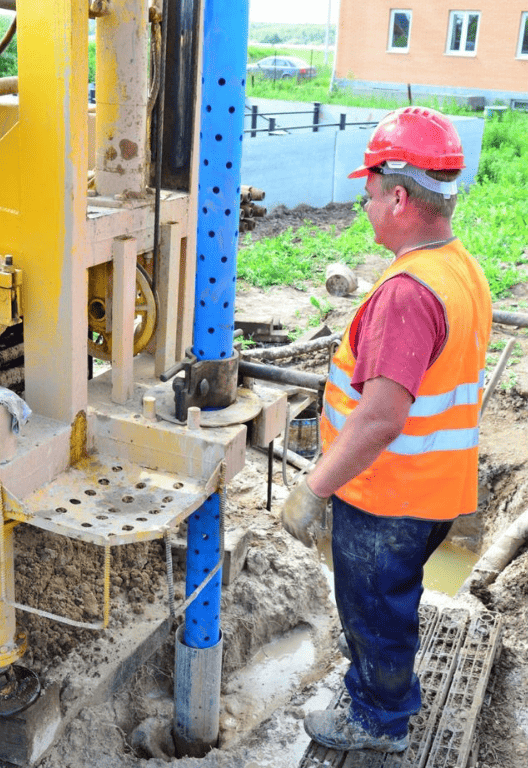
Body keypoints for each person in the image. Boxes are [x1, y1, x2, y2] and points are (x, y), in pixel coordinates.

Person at [282, 106, 492, 754]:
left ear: (399, 195)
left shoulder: (406, 293)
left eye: (369, 193)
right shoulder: (457, 266)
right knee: (391, 604)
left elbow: (380, 416)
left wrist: (315, 488)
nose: (364, 205)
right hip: (431, 491)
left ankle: (377, 721)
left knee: (374, 612)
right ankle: (382, 693)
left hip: (387, 496)